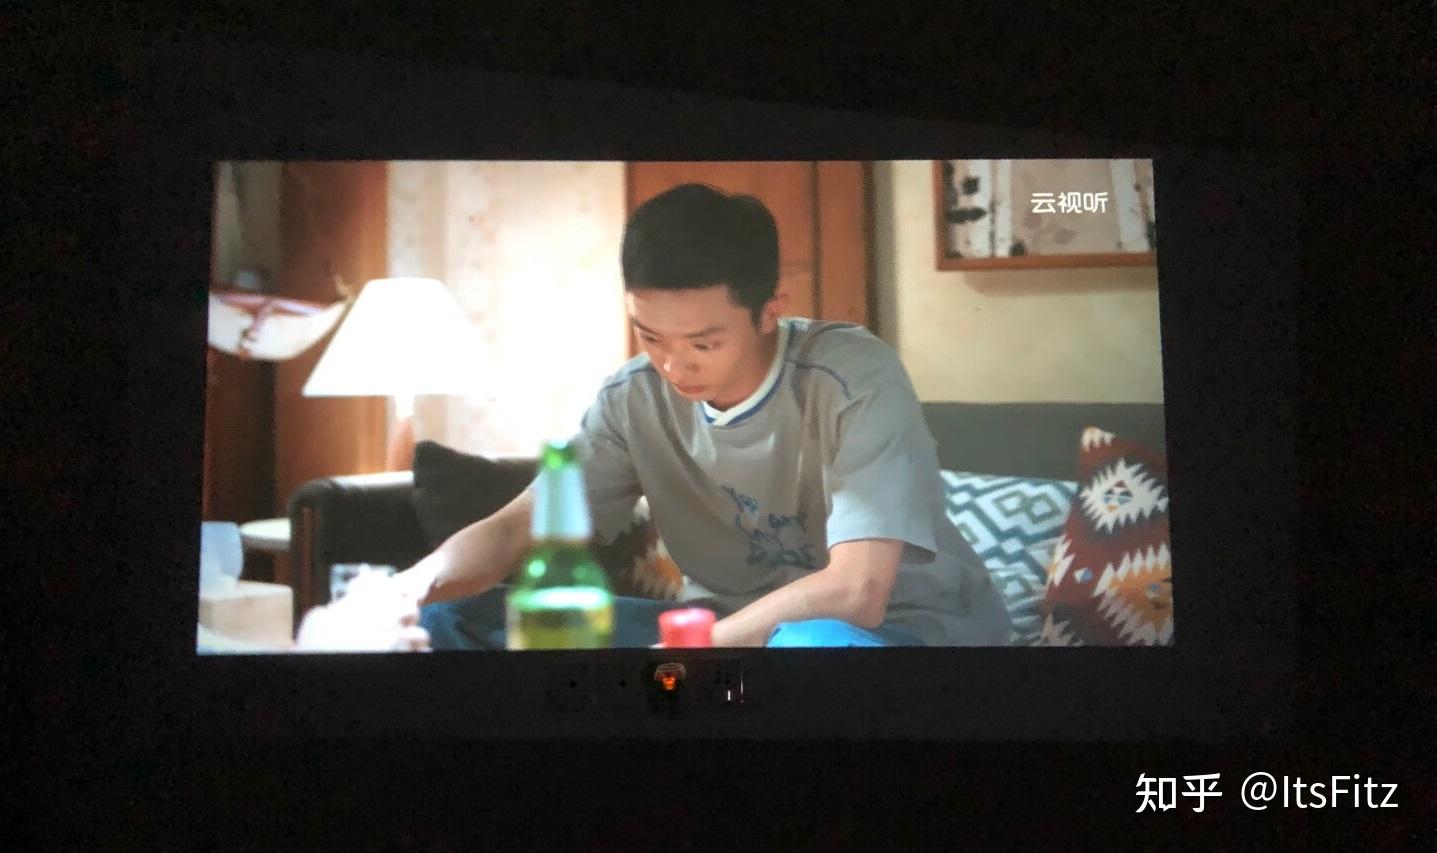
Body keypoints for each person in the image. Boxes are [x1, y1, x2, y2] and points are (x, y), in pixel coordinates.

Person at [336, 183, 1011, 649]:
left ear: (769, 310)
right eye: (650, 335)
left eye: (703, 343)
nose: (672, 365)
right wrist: (411, 584)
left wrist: (692, 651)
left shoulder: (852, 376)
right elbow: (520, 526)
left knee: (810, 648)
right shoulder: (632, 398)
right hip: (712, 632)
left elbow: (858, 590)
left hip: (894, 631)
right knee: (458, 621)